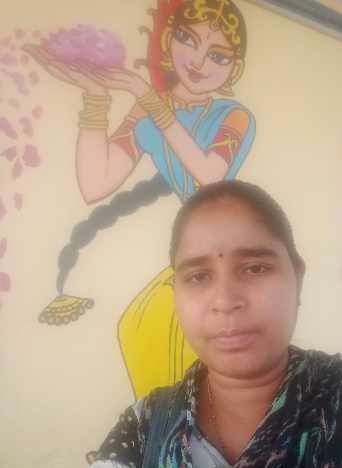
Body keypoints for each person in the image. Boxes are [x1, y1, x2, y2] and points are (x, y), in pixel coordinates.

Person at [61, 180, 342, 468]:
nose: (224, 301)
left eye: (255, 268)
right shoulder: (145, 427)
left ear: (297, 278)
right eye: (197, 276)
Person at [24, 0, 256, 397]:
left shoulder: (235, 116)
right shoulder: (145, 111)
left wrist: (149, 100)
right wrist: (96, 97)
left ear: (233, 69)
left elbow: (208, 177)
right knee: (138, 328)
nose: (199, 62)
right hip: (177, 252)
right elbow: (96, 182)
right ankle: (156, 426)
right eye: (187, 40)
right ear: (167, 42)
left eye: (217, 56)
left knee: (173, 336)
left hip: (215, 255)